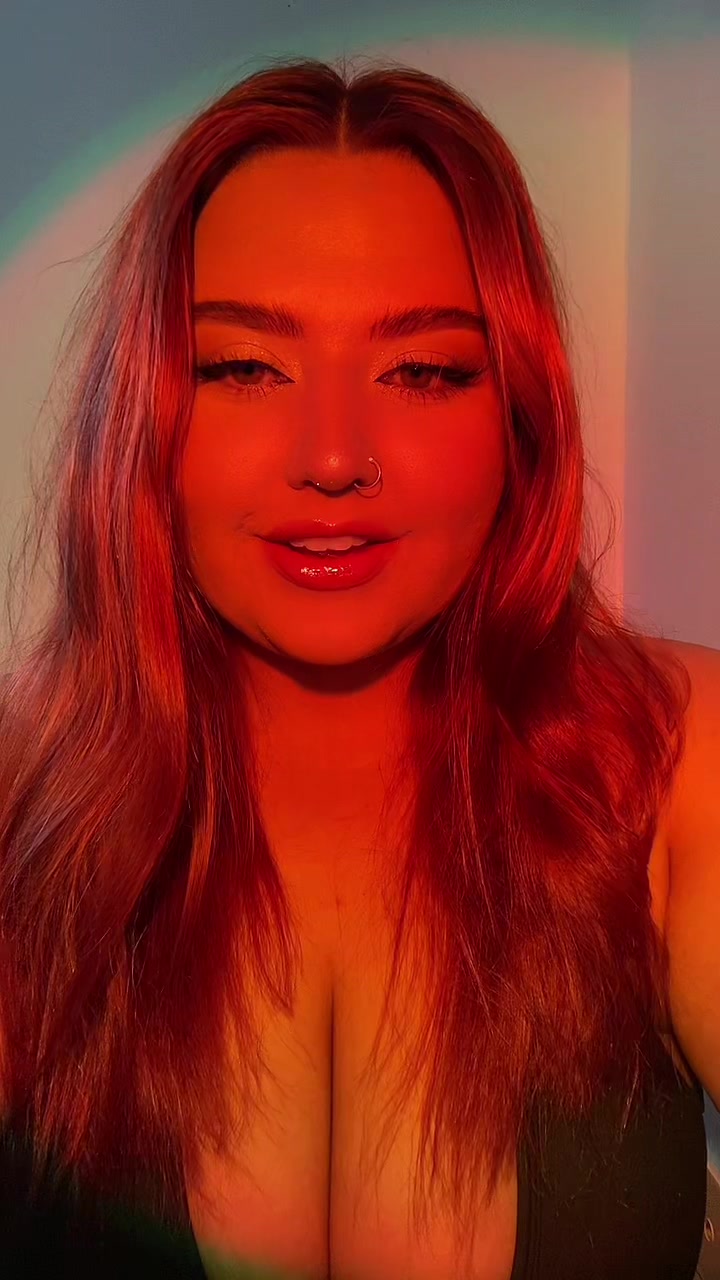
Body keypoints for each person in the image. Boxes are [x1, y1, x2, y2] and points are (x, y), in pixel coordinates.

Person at [0, 54, 708, 1280]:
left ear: (519, 418)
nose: (332, 457)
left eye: (423, 370)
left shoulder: (679, 762)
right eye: (243, 367)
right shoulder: (23, 811)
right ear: (142, 419)